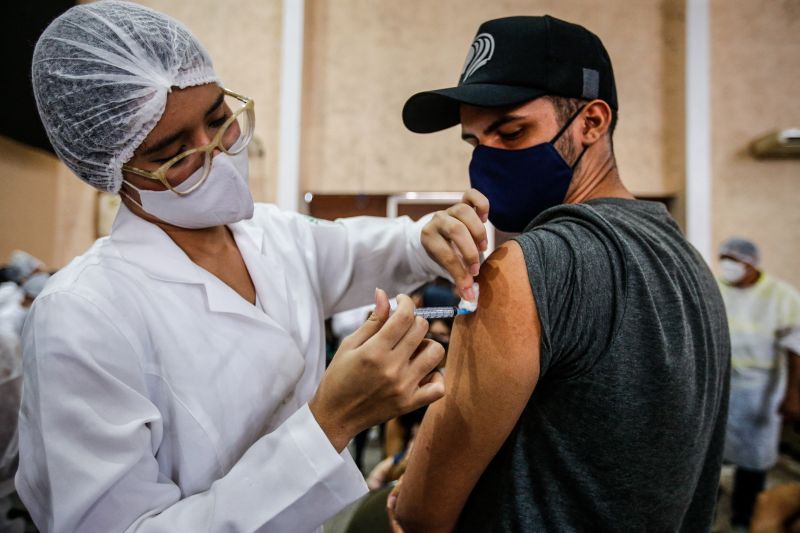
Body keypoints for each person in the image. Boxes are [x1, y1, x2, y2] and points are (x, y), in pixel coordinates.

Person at [18, 2, 491, 531]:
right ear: (114, 169)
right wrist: (330, 422)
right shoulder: (83, 315)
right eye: (175, 153)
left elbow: (363, 250)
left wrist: (428, 240)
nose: (216, 152)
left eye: (220, 119)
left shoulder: (270, 234)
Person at [392, 15, 731, 532]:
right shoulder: (688, 261)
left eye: (511, 130)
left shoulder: (526, 268)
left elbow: (419, 512)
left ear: (592, 122)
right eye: (474, 141)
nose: (487, 160)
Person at [717, 237, 800, 529]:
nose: (726, 265)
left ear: (750, 263)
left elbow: (796, 347)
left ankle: (745, 518)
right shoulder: (717, 288)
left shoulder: (781, 296)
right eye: (723, 258)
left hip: (760, 392)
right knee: (713, 453)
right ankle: (709, 508)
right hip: (723, 387)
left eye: (733, 259)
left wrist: (793, 395)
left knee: (753, 460)